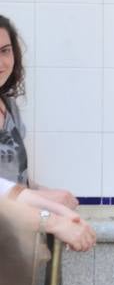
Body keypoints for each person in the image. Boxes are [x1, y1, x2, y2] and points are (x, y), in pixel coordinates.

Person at [0, 16, 95, 252]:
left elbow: (12, 179)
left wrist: (50, 196)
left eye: (5, 51)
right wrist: (52, 218)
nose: (0, 62)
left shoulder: (8, 108)